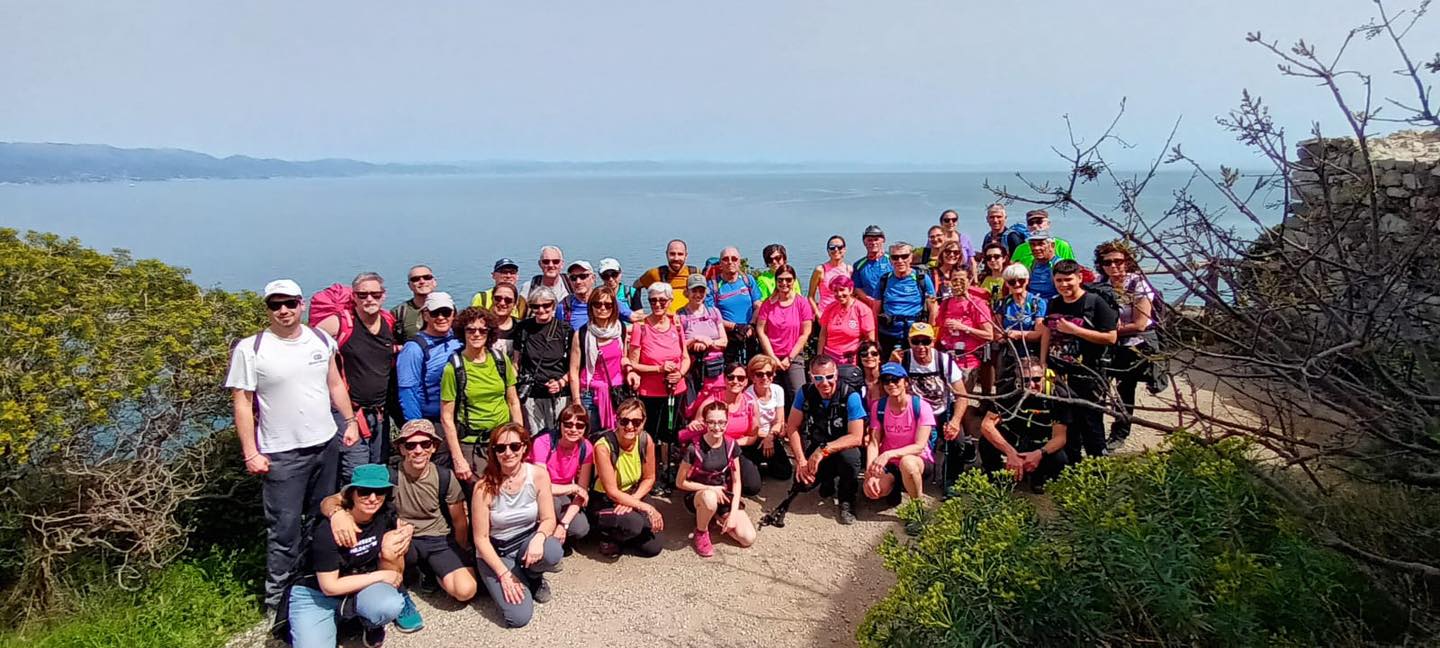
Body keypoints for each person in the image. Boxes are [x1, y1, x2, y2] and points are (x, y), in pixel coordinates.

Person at [226, 279, 359, 619]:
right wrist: (250, 452)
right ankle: (278, 602)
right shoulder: (251, 349)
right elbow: (242, 403)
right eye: (275, 305)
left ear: (302, 304)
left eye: (289, 303)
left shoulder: (321, 339)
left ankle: (318, 581)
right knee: (284, 530)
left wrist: (350, 421)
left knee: (323, 519)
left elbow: (335, 384)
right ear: (268, 309)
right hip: (281, 453)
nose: (283, 310)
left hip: (325, 444)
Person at [319, 421, 476, 633]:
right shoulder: (388, 475)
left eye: (425, 444)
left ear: (433, 447)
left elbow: (459, 521)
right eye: (410, 445)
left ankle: (430, 571)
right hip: (402, 538)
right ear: (401, 448)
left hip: (437, 537)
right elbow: (330, 500)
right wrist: (336, 514)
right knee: (390, 544)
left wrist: (460, 552)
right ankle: (400, 595)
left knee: (466, 591)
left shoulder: (444, 476)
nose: (418, 450)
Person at [287, 464, 407, 648]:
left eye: (379, 491)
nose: (372, 498)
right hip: (317, 592)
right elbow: (329, 587)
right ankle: (332, 622)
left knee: (389, 604)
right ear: (351, 494)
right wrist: (381, 575)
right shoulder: (328, 529)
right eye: (364, 492)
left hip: (358, 585)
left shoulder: (384, 515)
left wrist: (406, 530)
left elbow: (403, 527)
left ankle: (368, 623)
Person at [471, 423, 563, 628]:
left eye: (514, 446)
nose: (508, 453)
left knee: (552, 550)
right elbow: (481, 539)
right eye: (500, 448)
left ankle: (533, 576)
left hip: (526, 544)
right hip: (497, 552)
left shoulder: (538, 475)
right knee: (518, 617)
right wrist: (503, 575)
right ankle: (502, 579)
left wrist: (539, 538)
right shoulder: (483, 487)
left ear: (524, 448)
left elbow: (549, 519)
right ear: (493, 452)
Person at [315, 272, 396, 482]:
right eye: (362, 295)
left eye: (375, 294)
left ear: (383, 295)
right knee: (356, 474)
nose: (369, 299)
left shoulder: (388, 321)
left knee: (378, 470)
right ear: (354, 297)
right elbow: (306, 345)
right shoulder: (340, 323)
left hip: (379, 415)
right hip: (348, 413)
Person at [1039, 259, 1118, 461]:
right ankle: (1073, 467)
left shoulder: (1095, 302)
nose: (1064, 285)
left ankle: (1097, 467)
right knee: (1066, 422)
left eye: (1068, 280)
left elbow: (1111, 337)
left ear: (1079, 278)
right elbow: (1047, 331)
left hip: (1088, 373)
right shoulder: (1055, 302)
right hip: (1059, 373)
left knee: (1090, 422)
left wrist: (1076, 331)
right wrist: (1043, 362)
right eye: (1059, 281)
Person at [778, 355, 866, 525]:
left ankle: (846, 499)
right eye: (818, 378)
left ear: (836, 375)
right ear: (811, 377)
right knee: (802, 484)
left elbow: (856, 437)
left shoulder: (850, 395)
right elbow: (792, 427)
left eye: (829, 377)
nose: (824, 383)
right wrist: (801, 461)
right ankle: (827, 479)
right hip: (818, 446)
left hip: (842, 448)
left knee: (850, 459)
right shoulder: (805, 392)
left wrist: (824, 449)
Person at [439, 307, 522, 484]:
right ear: (463, 332)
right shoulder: (454, 368)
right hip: (472, 443)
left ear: (489, 333)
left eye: (482, 330)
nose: (476, 334)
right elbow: (446, 417)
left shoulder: (500, 360)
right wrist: (458, 459)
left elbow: (513, 401)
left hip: (503, 440)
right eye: (471, 330)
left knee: (508, 489)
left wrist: (519, 439)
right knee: (480, 493)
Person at [626, 282, 690, 496]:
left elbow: (685, 357)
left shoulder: (676, 324)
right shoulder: (641, 327)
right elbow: (633, 362)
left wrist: (680, 373)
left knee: (670, 435)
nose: (658, 304)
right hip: (650, 392)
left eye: (662, 300)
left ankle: (667, 473)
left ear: (670, 301)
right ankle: (649, 475)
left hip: (675, 390)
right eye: (653, 300)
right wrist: (658, 369)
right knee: (650, 435)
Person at [1095, 240, 1159, 450]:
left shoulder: (1138, 284)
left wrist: (1110, 330)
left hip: (1133, 344)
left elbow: (1140, 324)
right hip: (1107, 343)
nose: (1113, 266)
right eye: (1107, 262)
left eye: (1118, 261)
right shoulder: (1100, 283)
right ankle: (1095, 434)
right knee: (1098, 387)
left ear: (1127, 262)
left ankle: (1119, 433)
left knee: (1124, 390)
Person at [893, 323, 969, 491]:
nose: (921, 346)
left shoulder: (944, 361)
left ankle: (951, 480)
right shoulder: (903, 359)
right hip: (916, 413)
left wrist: (955, 421)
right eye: (916, 341)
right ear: (909, 342)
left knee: (957, 441)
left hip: (941, 410)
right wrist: (893, 364)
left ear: (933, 342)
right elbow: (887, 385)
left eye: (926, 341)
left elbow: (962, 395)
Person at [978, 357, 1071, 493]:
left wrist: (1039, 453)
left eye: (1036, 379)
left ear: (1044, 377)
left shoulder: (1057, 395)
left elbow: (1060, 437)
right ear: (1018, 380)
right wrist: (1010, 453)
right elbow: (986, 425)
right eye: (1026, 380)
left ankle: (1039, 477)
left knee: (1059, 458)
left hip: (1041, 442)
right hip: (1015, 437)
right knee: (986, 442)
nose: (1031, 385)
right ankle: (996, 477)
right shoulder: (1008, 389)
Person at [677, 401, 758, 557]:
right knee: (709, 498)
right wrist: (710, 489)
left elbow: (736, 481)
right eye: (712, 422)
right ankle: (701, 531)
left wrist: (732, 514)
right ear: (705, 423)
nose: (717, 427)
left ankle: (715, 516)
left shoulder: (731, 445)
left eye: (721, 422)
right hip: (699, 494)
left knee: (747, 538)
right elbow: (680, 482)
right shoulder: (694, 448)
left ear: (727, 422)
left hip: (723, 494)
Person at [589, 399, 665, 558]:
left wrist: (633, 501)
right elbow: (611, 491)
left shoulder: (645, 440)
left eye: (636, 422)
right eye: (624, 421)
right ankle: (608, 536)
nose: (630, 426)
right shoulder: (604, 446)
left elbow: (649, 478)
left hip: (632, 492)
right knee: (635, 523)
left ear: (643, 422)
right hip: (606, 499)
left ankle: (626, 534)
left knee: (653, 546)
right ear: (617, 420)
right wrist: (646, 507)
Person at [863, 363, 936, 528]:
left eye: (895, 380)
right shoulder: (879, 407)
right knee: (872, 491)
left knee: (907, 463)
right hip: (891, 463)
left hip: (917, 460)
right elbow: (874, 442)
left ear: (906, 382)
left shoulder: (921, 406)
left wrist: (888, 454)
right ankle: (897, 486)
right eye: (886, 380)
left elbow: (919, 446)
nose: (891, 384)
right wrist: (870, 473)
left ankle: (917, 509)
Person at [679, 362, 762, 496]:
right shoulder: (711, 402)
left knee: (752, 487)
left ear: (746, 381)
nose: (735, 381)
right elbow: (697, 426)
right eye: (731, 377)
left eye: (741, 378)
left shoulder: (751, 403)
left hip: (737, 449)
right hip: (712, 448)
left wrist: (730, 445)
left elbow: (752, 436)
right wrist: (693, 425)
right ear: (724, 379)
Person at [529, 404, 595, 549]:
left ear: (586, 428)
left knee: (580, 528)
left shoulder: (586, 448)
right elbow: (541, 486)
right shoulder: (544, 442)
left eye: (579, 426)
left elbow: (582, 491)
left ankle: (558, 533)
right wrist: (573, 488)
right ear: (560, 424)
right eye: (568, 424)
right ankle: (543, 539)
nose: (574, 430)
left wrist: (564, 524)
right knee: (554, 504)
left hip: (562, 491)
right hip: (536, 492)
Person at [755, 263, 815, 413]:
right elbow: (761, 330)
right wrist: (772, 357)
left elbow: (805, 332)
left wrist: (790, 357)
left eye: (788, 280)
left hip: (793, 355)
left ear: (794, 281)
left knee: (798, 394)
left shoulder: (801, 303)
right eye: (780, 280)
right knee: (771, 397)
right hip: (771, 356)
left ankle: (798, 425)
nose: (784, 283)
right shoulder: (768, 304)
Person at [396, 292, 462, 426]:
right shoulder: (413, 349)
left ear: (453, 314)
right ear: (425, 315)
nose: (441, 317)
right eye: (435, 313)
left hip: (460, 417)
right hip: (432, 420)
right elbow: (408, 391)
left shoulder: (460, 339)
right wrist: (418, 427)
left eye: (446, 312)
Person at [569, 287, 630, 430]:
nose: (602, 308)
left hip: (616, 392)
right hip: (589, 394)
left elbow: (624, 358)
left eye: (608, 305)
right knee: (591, 435)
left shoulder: (620, 329)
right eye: (597, 304)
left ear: (614, 307)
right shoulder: (582, 334)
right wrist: (576, 401)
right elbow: (574, 370)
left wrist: (630, 371)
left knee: (616, 434)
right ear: (591, 307)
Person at [514, 286, 574, 432]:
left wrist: (561, 382)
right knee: (536, 437)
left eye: (546, 305)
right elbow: (516, 362)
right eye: (536, 306)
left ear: (553, 305)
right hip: (531, 394)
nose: (541, 310)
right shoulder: (523, 328)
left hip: (559, 393)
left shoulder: (565, 330)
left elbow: (575, 366)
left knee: (559, 434)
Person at [874, 241, 938, 360]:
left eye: (904, 256)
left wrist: (930, 335)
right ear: (890, 259)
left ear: (911, 257)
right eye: (895, 257)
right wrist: (875, 339)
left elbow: (933, 309)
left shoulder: (922, 278)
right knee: (890, 368)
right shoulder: (884, 280)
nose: (900, 260)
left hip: (915, 335)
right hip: (888, 334)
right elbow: (875, 311)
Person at [817, 275, 875, 392]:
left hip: (850, 360)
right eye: (835, 291)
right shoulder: (830, 308)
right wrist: (819, 358)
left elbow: (870, 340)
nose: (839, 294)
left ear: (851, 289)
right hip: (830, 359)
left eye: (842, 290)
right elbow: (823, 335)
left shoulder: (862, 310)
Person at [708, 246, 762, 363]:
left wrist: (751, 325)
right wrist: (735, 327)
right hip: (727, 337)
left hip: (749, 334)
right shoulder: (713, 285)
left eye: (734, 259)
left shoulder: (748, 280)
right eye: (725, 259)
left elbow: (758, 304)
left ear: (739, 262)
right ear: (720, 264)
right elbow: (711, 316)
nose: (730, 262)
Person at [743, 354, 793, 482]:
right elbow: (753, 427)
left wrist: (770, 437)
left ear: (773, 375)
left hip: (771, 435)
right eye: (760, 374)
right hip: (754, 437)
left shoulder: (778, 390)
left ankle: (763, 463)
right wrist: (766, 437)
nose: (765, 377)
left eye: (769, 373)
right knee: (751, 480)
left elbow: (779, 421)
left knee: (785, 472)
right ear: (752, 377)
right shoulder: (747, 395)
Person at [936, 270, 994, 376]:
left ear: (969, 282)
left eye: (962, 280)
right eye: (955, 280)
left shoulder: (977, 304)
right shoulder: (945, 304)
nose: (958, 283)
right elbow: (938, 331)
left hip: (968, 361)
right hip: (947, 360)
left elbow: (989, 335)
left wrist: (963, 327)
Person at [678, 274, 728, 397]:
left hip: (715, 368)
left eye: (701, 291)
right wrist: (694, 340)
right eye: (694, 291)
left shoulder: (714, 312)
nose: (698, 295)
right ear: (687, 292)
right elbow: (679, 345)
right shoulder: (680, 316)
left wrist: (709, 342)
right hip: (693, 368)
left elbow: (724, 341)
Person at [996, 263, 1048, 367]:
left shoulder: (1037, 303)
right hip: (1008, 356)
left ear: (1027, 280)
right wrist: (1001, 337)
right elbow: (997, 332)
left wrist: (1017, 334)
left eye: (1021, 280)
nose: (1017, 284)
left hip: (1031, 355)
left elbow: (1040, 333)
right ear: (1006, 283)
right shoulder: (1002, 304)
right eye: (1012, 281)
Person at [558, 260, 634, 328]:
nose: (578, 282)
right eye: (573, 278)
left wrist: (623, 331)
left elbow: (636, 319)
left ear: (593, 278)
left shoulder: (608, 301)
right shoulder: (564, 306)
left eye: (583, 276)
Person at [633, 239, 697, 313]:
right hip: (664, 319)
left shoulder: (695, 274)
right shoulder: (655, 274)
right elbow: (635, 287)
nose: (676, 258)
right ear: (667, 254)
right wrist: (638, 310)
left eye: (680, 254)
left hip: (689, 318)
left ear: (686, 255)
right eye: (672, 254)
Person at [1009, 209, 1075, 269]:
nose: (1034, 226)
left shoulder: (1062, 245)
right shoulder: (1020, 249)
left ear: (1048, 224)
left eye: (1039, 222)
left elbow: (1071, 269)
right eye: (1031, 223)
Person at [808, 235, 853, 318]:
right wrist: (818, 314)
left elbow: (852, 295)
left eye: (839, 247)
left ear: (844, 250)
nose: (836, 250)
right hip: (825, 314)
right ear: (828, 251)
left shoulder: (849, 270)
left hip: (844, 315)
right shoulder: (820, 270)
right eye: (832, 247)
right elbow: (810, 296)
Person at [851, 225, 893, 312]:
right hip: (869, 308)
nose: (873, 243)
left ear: (883, 240)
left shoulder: (893, 260)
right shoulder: (858, 265)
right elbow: (857, 288)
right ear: (864, 242)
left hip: (891, 307)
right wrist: (869, 300)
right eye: (869, 240)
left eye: (876, 239)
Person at [391, 265, 437, 344]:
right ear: (409, 285)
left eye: (427, 277)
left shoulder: (447, 308)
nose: (422, 281)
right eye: (415, 279)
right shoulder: (398, 312)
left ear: (434, 282)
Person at [935, 209, 977, 277]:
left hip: (961, 276)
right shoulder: (936, 239)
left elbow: (972, 262)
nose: (950, 222)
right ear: (941, 223)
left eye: (954, 220)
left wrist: (975, 280)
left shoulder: (965, 238)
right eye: (947, 220)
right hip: (940, 276)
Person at [1023, 230, 1061, 300]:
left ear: (1052, 245)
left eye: (1041, 244)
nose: (1036, 248)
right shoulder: (1031, 264)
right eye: (1033, 244)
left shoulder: (1059, 265)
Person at [488, 282, 522, 358]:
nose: (502, 303)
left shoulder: (521, 327)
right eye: (498, 298)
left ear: (515, 303)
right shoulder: (482, 325)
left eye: (508, 300)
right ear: (492, 299)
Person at [977, 241, 1010, 306]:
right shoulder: (982, 278)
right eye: (988, 258)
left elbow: (995, 299)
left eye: (996, 256)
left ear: (1004, 258)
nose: (992, 260)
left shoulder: (1010, 279)